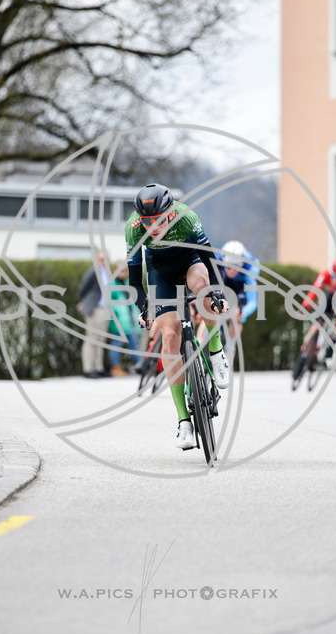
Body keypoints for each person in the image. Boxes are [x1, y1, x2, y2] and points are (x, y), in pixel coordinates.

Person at [125, 183, 230, 451]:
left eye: (158, 220)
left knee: (204, 287)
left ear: (171, 213)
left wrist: (218, 292)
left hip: (190, 262)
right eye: (146, 221)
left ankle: (216, 352)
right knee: (169, 336)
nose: (153, 226)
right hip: (160, 274)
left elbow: (209, 260)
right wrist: (143, 307)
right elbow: (135, 281)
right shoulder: (134, 229)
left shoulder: (188, 218)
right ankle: (184, 421)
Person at [295, 259, 336, 372]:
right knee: (317, 324)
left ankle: (330, 348)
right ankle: (306, 352)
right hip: (330, 296)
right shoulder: (325, 274)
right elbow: (314, 290)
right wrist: (305, 306)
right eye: (334, 277)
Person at [215, 240, 260, 361]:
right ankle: (204, 341)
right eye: (228, 266)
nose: (231, 270)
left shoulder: (250, 269)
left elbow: (253, 302)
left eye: (235, 266)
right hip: (223, 284)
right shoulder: (216, 261)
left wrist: (242, 312)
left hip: (241, 288)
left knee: (237, 317)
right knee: (213, 311)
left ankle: (230, 347)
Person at [77, 252, 112, 379]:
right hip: (94, 309)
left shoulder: (107, 273)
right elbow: (83, 288)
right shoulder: (93, 272)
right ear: (97, 260)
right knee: (92, 338)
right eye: (102, 259)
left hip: (105, 308)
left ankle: (98, 368)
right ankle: (88, 368)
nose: (104, 262)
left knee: (101, 340)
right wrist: (86, 302)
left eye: (106, 259)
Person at [107, 263, 141, 377]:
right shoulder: (112, 284)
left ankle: (139, 366)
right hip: (119, 321)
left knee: (134, 344)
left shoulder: (126, 283)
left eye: (124, 271)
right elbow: (109, 302)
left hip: (129, 319)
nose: (123, 273)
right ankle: (115, 367)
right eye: (120, 271)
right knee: (117, 344)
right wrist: (118, 310)